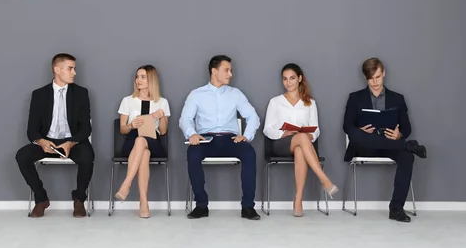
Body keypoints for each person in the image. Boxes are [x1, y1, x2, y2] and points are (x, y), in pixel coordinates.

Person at [343, 57, 427, 222]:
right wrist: (359, 130)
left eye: (378, 77)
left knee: (407, 157)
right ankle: (408, 146)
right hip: (364, 144)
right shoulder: (355, 98)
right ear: (366, 78)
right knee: (358, 136)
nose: (374, 82)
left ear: (384, 74)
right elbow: (347, 126)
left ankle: (396, 209)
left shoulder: (398, 98)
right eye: (370, 78)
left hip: (391, 145)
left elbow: (406, 128)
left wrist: (399, 135)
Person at [179, 55, 261, 220]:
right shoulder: (196, 94)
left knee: (249, 153)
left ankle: (248, 207)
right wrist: (192, 134)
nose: (230, 74)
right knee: (192, 153)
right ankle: (201, 206)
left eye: (231, 70)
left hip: (230, 139)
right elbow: (185, 119)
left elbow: (253, 117)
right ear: (214, 71)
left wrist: (246, 136)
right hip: (205, 139)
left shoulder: (235, 94)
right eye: (226, 70)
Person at [15, 53, 94, 218]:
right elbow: (31, 130)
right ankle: (41, 199)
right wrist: (42, 141)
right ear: (57, 70)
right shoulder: (39, 94)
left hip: (73, 142)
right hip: (47, 142)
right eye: (70, 68)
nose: (74, 72)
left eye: (75, 68)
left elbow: (86, 128)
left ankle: (79, 199)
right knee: (22, 156)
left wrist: (71, 143)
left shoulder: (81, 93)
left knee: (88, 156)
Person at [263, 63, 338, 217]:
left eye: (291, 78)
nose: (288, 82)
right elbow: (267, 129)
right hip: (281, 144)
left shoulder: (310, 103)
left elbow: (315, 128)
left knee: (300, 146)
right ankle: (324, 180)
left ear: (299, 79)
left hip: (302, 145)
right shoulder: (275, 102)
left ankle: (298, 199)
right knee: (300, 138)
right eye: (285, 79)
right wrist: (284, 133)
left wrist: (311, 135)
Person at [114, 65, 171, 218]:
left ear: (151, 79)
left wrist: (161, 116)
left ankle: (127, 184)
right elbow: (122, 129)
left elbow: (164, 131)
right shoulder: (127, 101)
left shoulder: (162, 102)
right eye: (137, 77)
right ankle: (144, 202)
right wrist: (132, 125)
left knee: (143, 142)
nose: (138, 80)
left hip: (154, 141)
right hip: (132, 141)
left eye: (143, 77)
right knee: (142, 151)